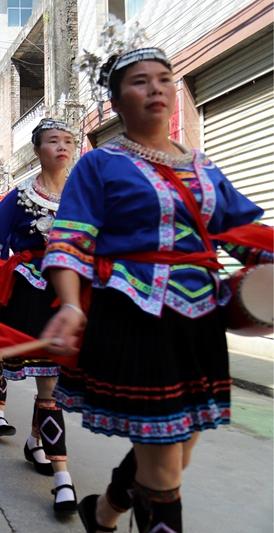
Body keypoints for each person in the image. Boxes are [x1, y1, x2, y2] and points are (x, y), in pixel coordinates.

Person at [40, 43, 271, 533]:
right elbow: (70, 241)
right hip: (135, 315)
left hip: (201, 320)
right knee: (165, 467)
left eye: (164, 78)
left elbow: (244, 236)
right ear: (117, 102)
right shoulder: (99, 164)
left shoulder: (205, 167)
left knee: (176, 453)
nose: (156, 88)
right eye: (139, 81)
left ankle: (101, 513)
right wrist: (68, 304)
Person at [0, 118, 78, 514]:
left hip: (71, 294)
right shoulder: (20, 196)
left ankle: (35, 441)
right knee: (47, 386)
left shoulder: (84, 194)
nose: (62, 146)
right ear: (36, 148)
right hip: (32, 295)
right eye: (53, 140)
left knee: (51, 383)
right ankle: (62, 477)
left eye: (69, 141)